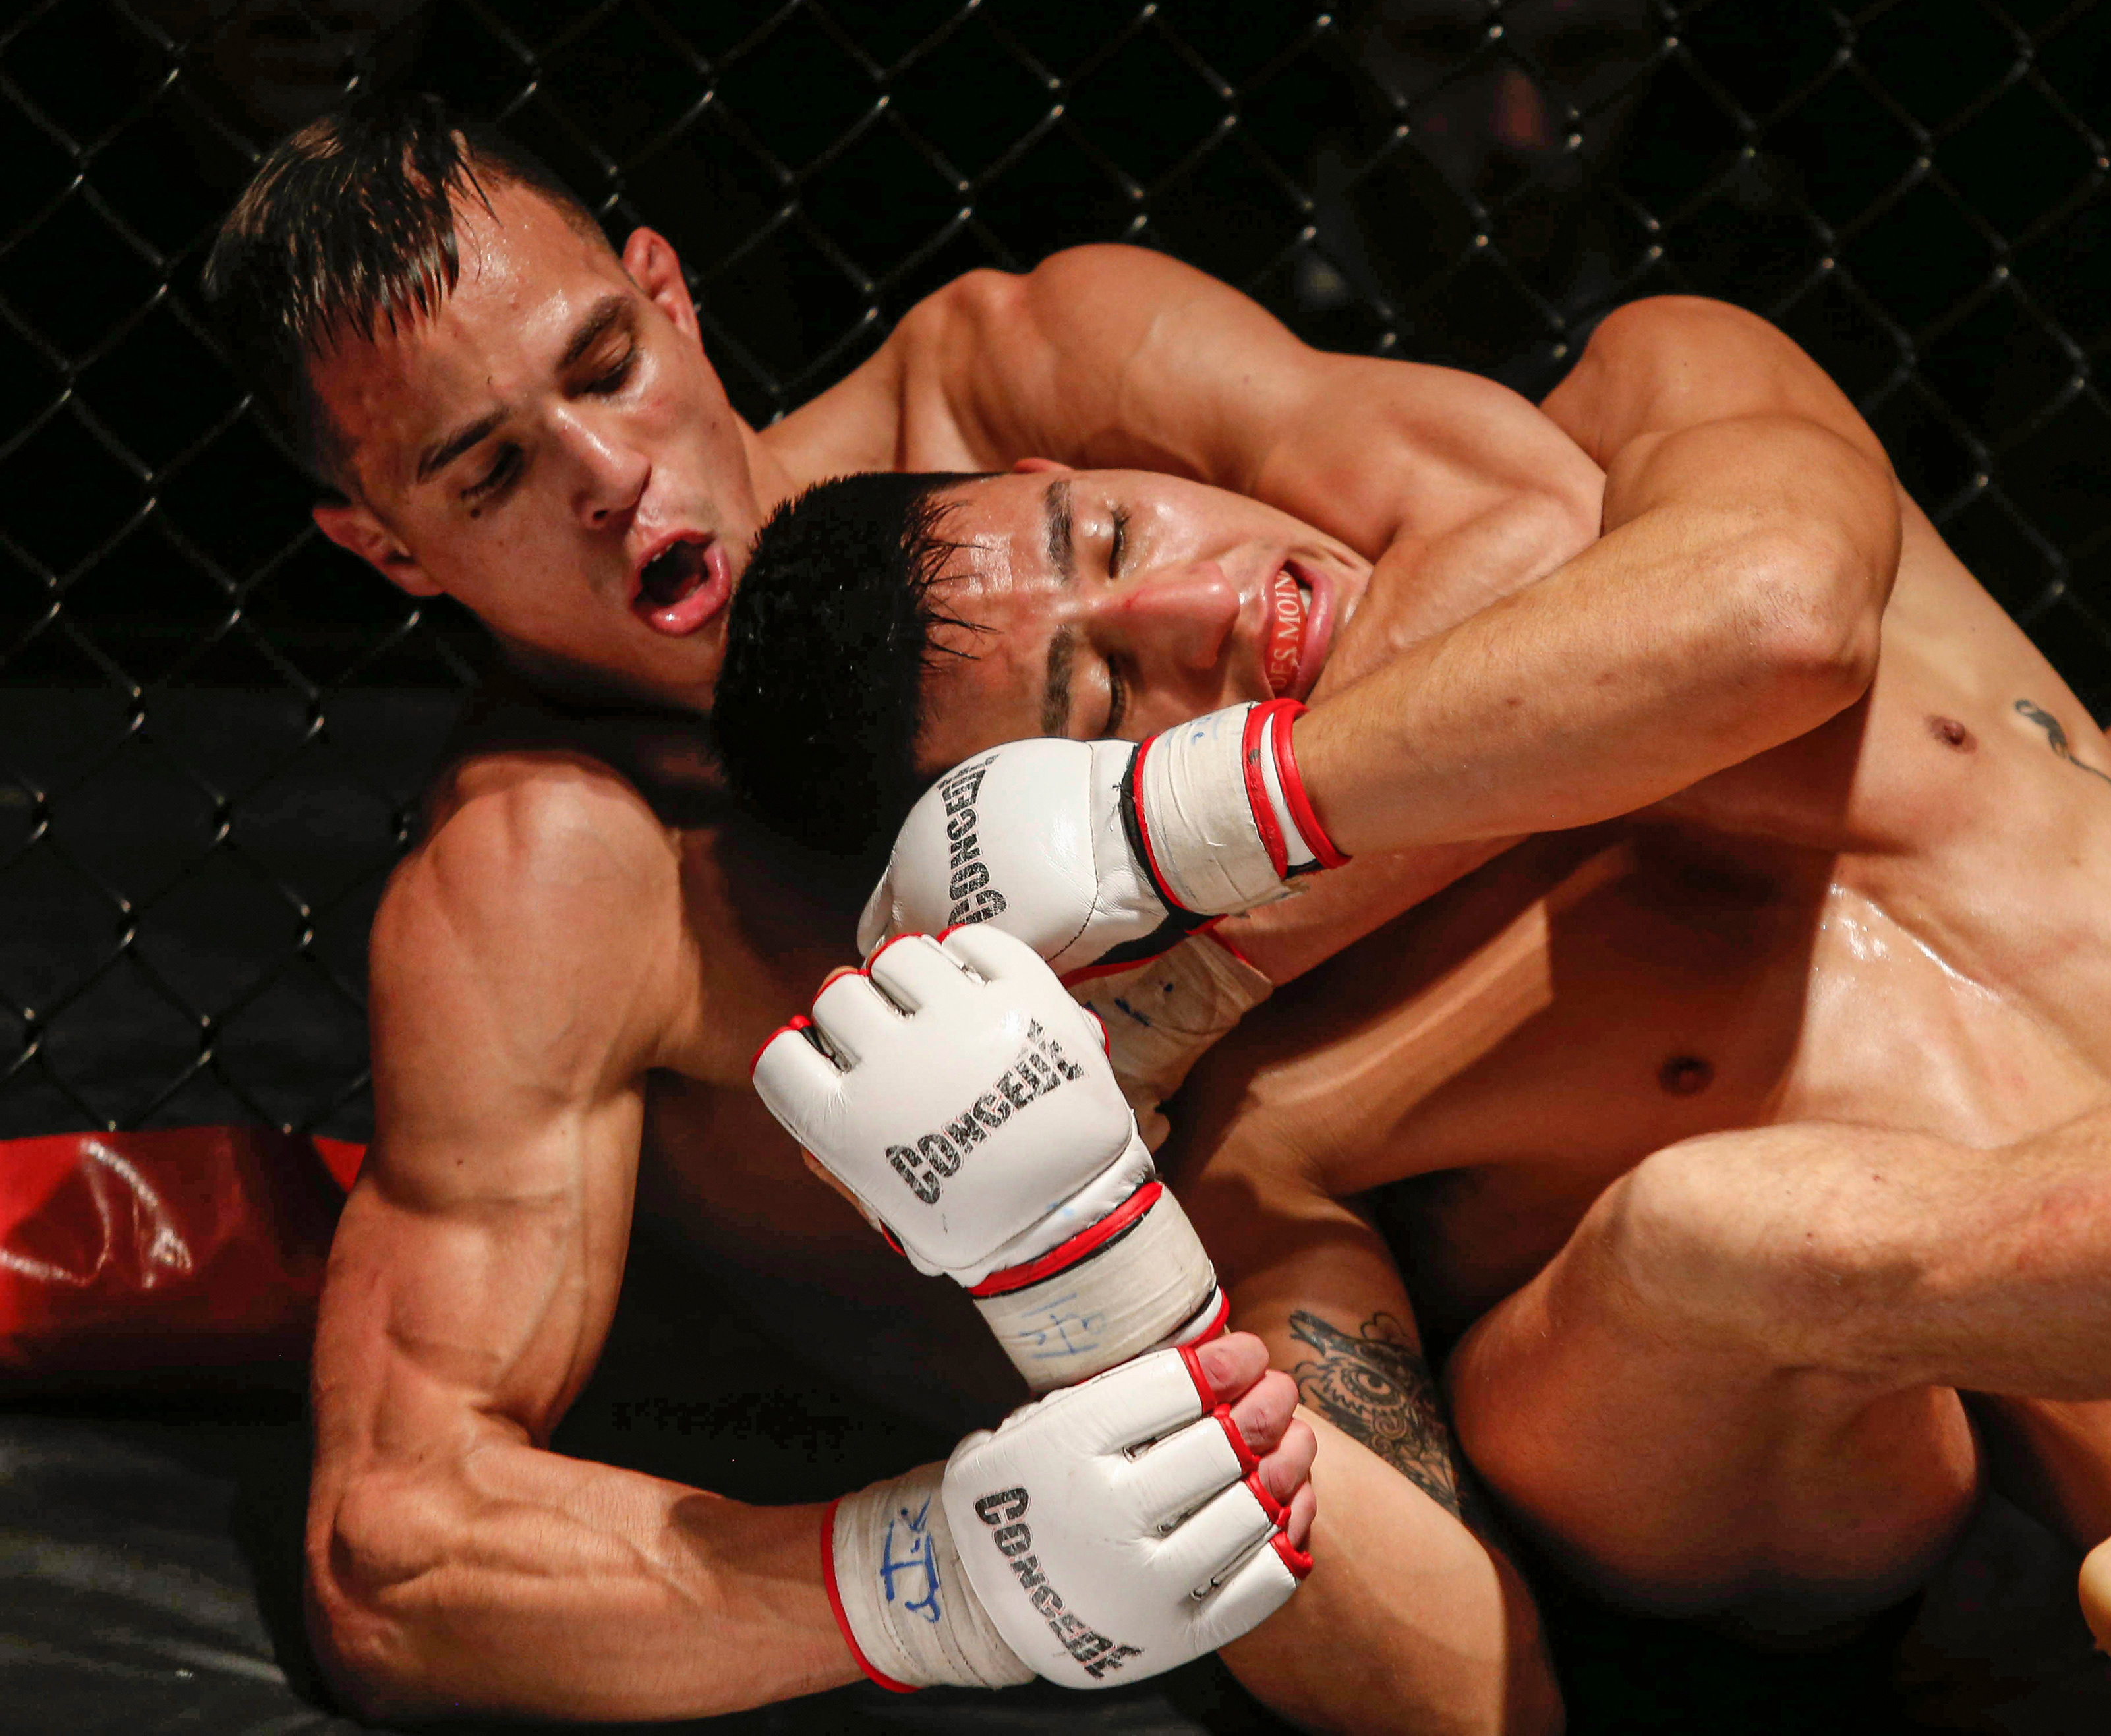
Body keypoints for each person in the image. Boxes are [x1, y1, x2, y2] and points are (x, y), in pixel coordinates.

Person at [718, 285, 2111, 1736]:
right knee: (1704, 1233)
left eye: (1119, 526)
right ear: (1022, 869)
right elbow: (1445, 1695)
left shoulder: (1667, 405)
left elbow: (1780, 623)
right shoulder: (1294, 1119)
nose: (1206, 600)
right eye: (1102, 708)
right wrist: (1072, 1257)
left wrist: (1184, 826)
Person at [202, 93, 1611, 1727]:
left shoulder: (1003, 383)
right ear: (387, 549)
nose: (604, 472)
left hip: (1568, 1110)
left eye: (605, 367)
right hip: (1219, 1321)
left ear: (671, 294)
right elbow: (394, 1554)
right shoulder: (558, 876)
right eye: (491, 467)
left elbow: (1550, 537)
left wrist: (1185, 899)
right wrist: (921, 1576)